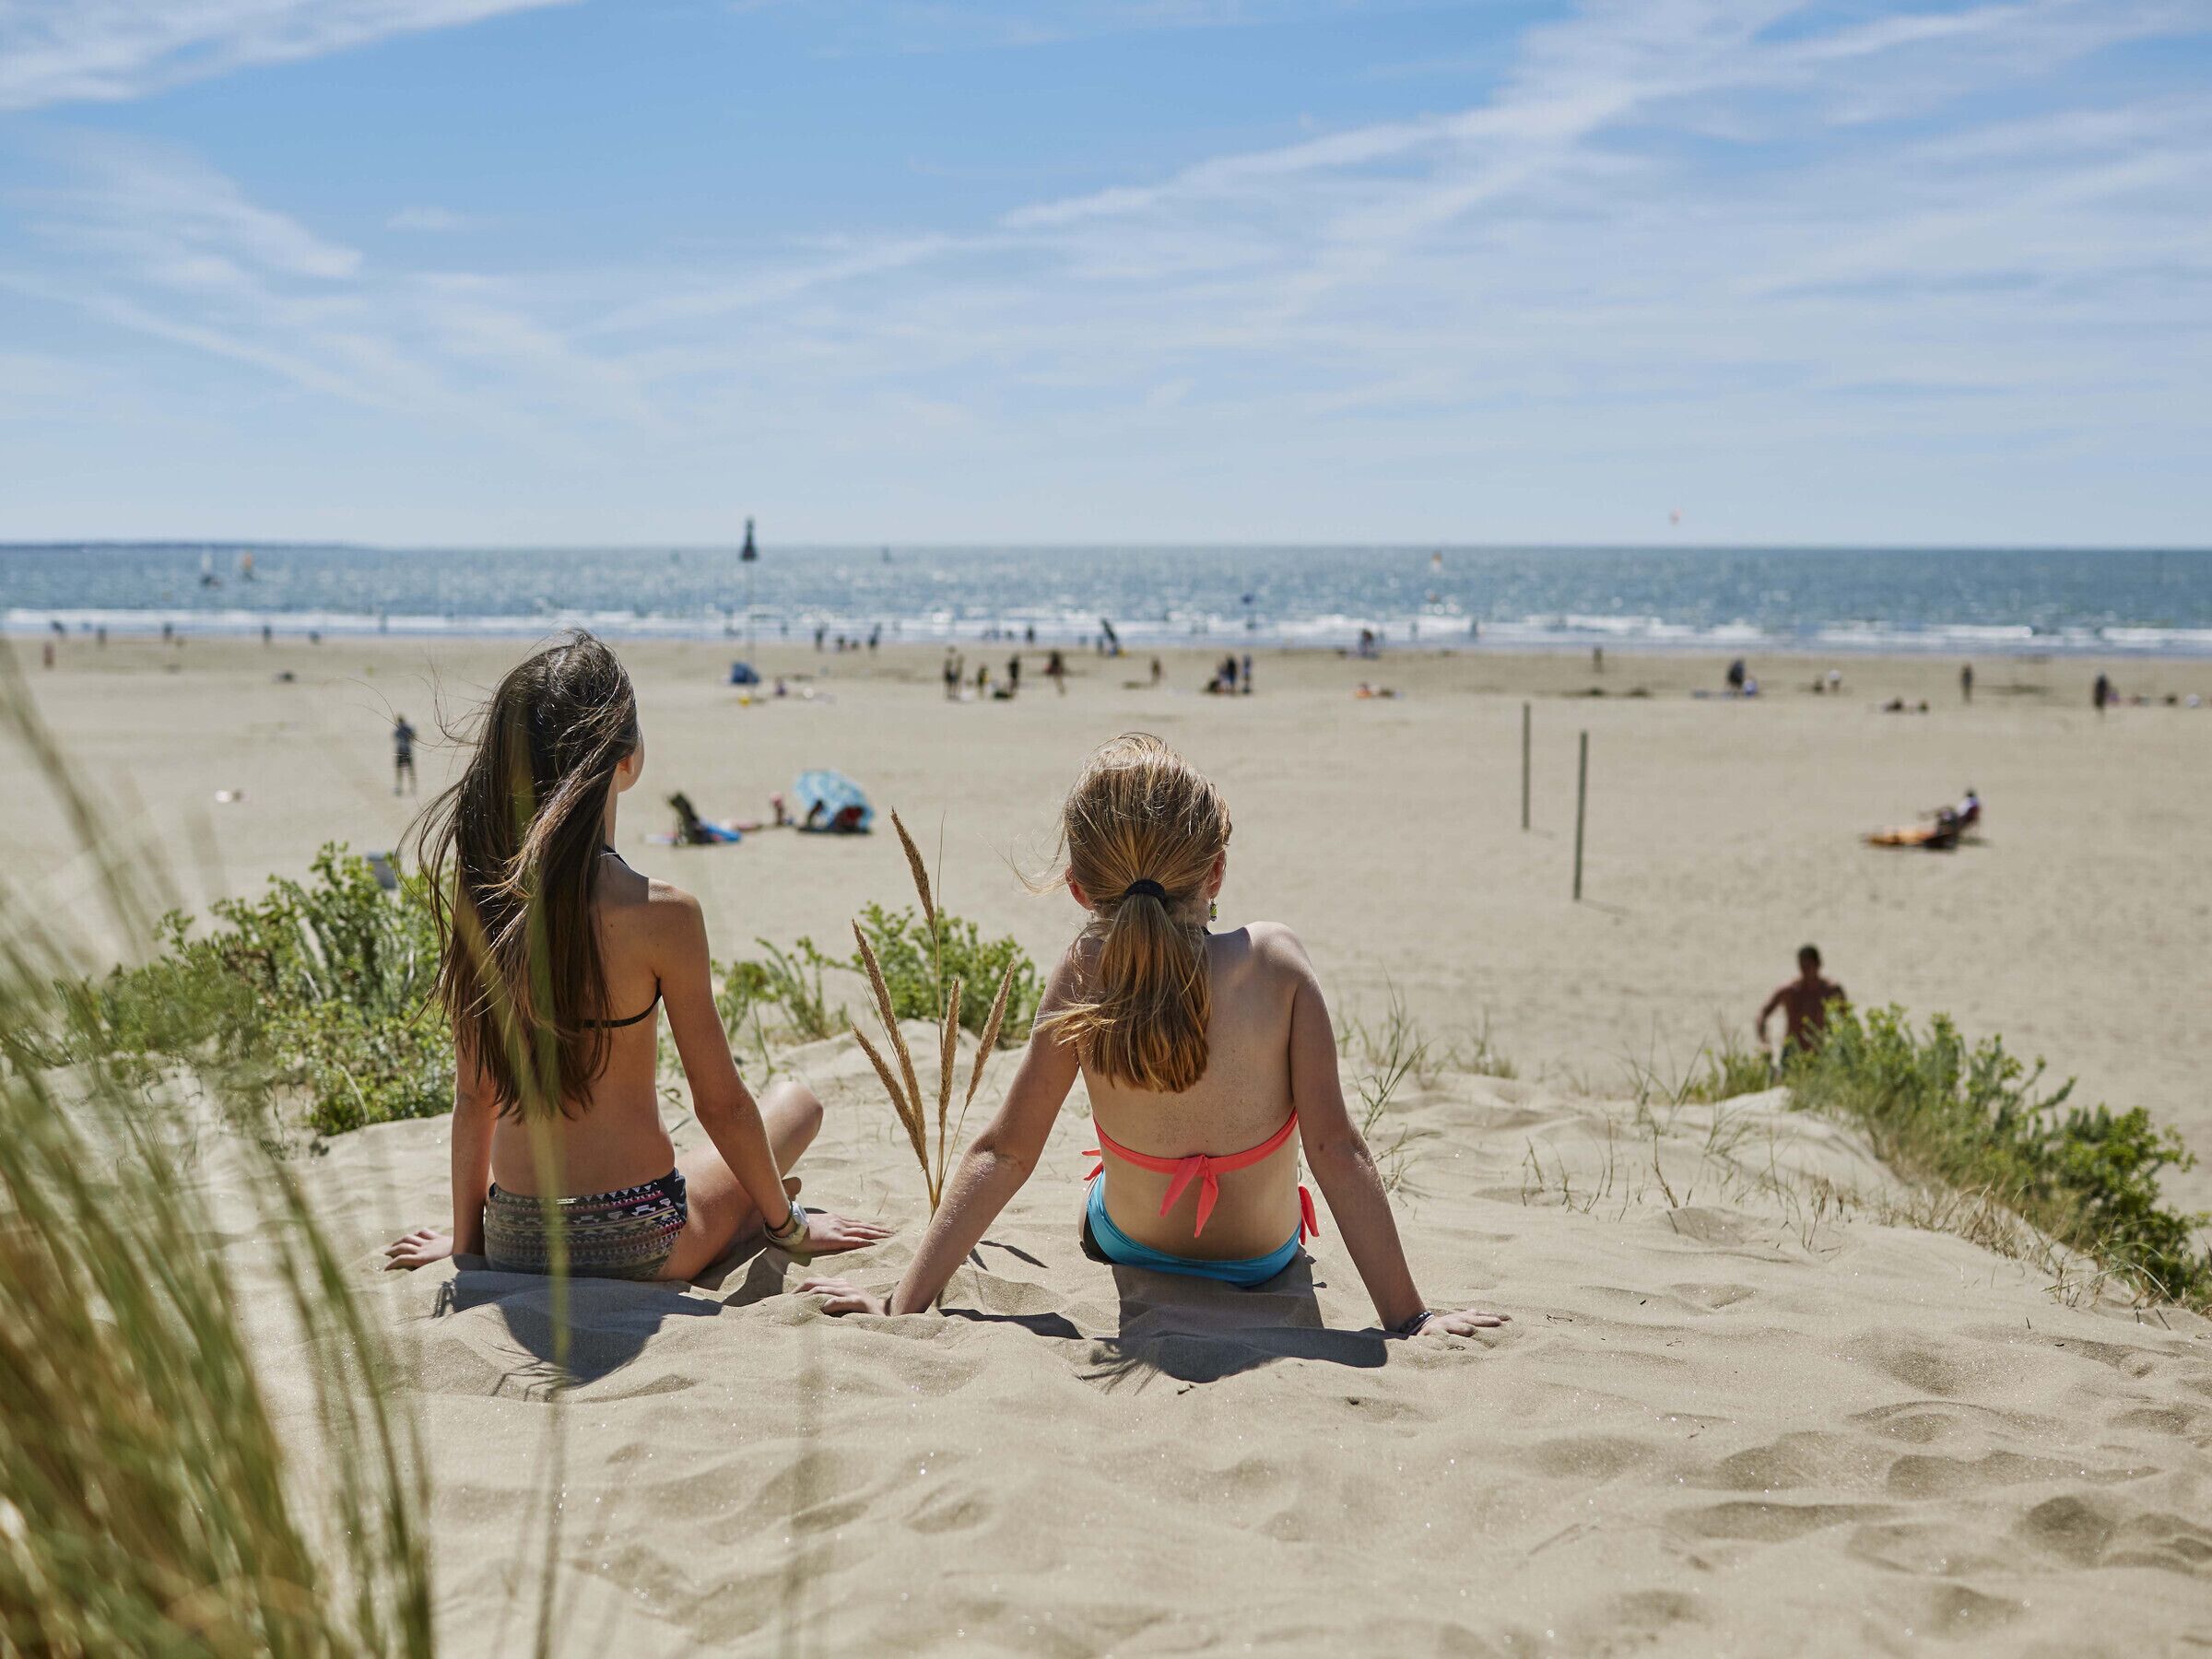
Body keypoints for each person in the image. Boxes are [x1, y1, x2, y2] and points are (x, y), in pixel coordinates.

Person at [799, 734, 1507, 1338]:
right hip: (1261, 1259)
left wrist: (900, 1304)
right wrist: (1410, 1319)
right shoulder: (1276, 963)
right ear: (1216, 871)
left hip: (1128, 1243)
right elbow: (1336, 1150)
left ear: (1079, 889)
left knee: (1099, 1190)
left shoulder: (1085, 969)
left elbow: (1006, 1152)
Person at [384, 633, 888, 1281]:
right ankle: (755, 1216)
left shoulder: (481, 895)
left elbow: (473, 1095)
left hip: (515, 1237)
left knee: (721, 1159)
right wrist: (789, 1228)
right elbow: (722, 1104)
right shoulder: (663, 913)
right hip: (639, 1240)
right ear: (626, 758)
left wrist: (467, 1246)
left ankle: (739, 1211)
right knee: (796, 1103)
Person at [1758, 946, 1847, 1057]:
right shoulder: (1789, 991)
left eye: (1808, 966)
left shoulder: (1830, 991)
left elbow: (1846, 1018)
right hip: (1791, 1053)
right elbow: (1763, 1014)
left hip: (1818, 1053)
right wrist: (1764, 1042)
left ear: (1818, 964)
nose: (1805, 971)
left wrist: (1844, 1045)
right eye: (1802, 966)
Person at [392, 715, 418, 796]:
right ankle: (413, 787)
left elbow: (395, 737)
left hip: (400, 751)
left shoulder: (398, 730)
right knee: (410, 770)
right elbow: (414, 737)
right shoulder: (408, 728)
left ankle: (399, 787)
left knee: (400, 771)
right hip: (407, 751)